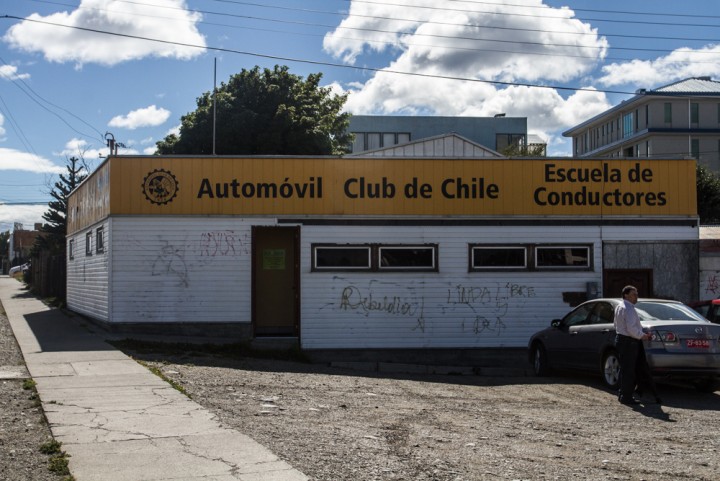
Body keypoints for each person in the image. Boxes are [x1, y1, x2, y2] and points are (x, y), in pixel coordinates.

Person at [613, 285, 652, 405]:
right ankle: (627, 396)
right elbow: (631, 329)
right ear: (626, 295)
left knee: (625, 369)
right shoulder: (628, 308)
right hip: (629, 341)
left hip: (621, 339)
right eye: (634, 294)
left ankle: (622, 393)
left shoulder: (620, 306)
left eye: (637, 294)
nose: (636, 296)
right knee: (629, 370)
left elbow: (616, 324)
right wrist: (643, 336)